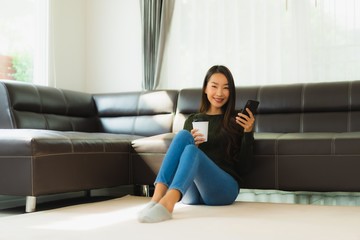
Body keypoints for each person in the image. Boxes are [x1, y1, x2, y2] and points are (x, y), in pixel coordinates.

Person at [138, 65, 256, 223]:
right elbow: (184, 158)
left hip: (223, 190)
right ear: (205, 88)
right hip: (192, 193)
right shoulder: (192, 119)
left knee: (192, 152)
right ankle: (156, 198)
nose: (219, 93)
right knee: (183, 136)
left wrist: (248, 133)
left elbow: (244, 168)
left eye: (225, 88)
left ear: (231, 92)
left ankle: (167, 204)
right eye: (214, 86)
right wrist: (195, 147)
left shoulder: (236, 121)